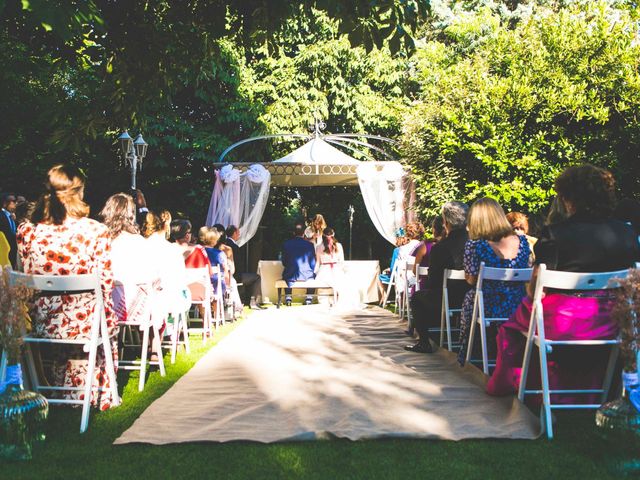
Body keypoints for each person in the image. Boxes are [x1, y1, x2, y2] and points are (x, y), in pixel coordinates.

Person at [487, 165, 640, 403]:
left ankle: (525, 386)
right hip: (613, 322)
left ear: (568, 198)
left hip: (561, 322)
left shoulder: (555, 234)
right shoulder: (625, 233)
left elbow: (535, 286)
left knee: (512, 330)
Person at [16, 165, 118, 410]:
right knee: (106, 319)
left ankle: (59, 387)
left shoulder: (28, 231)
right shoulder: (95, 231)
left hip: (42, 323)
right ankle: (92, 392)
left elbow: (24, 277)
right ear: (79, 192)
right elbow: (105, 283)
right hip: (84, 322)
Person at [457, 198, 531, 365]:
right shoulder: (523, 242)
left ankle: (468, 355)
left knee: (470, 296)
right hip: (518, 304)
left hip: (487, 306)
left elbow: (471, 279)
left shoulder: (475, 245)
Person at [406, 201, 470, 353]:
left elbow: (433, 282)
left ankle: (424, 342)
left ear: (446, 222)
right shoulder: (475, 243)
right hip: (472, 296)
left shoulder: (440, 248)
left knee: (417, 297)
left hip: (448, 298)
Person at [100, 193, 157, 327]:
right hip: (136, 309)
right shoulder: (138, 241)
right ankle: (153, 345)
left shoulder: (100, 239)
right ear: (131, 214)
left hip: (104, 308)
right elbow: (152, 275)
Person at [142, 209, 190, 331]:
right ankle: (174, 331)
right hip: (164, 299)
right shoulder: (171, 249)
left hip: (140, 299)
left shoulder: (142, 245)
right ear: (166, 224)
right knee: (184, 294)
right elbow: (180, 280)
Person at [170, 219, 212, 303]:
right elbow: (210, 272)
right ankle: (204, 315)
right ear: (187, 235)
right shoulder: (199, 249)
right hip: (197, 292)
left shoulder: (168, 249)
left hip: (172, 292)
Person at [224, 225, 261, 308]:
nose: (239, 235)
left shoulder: (223, 244)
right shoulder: (234, 247)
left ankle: (246, 299)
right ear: (234, 233)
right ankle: (253, 301)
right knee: (256, 277)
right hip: (235, 276)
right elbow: (238, 265)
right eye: (238, 233)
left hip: (225, 275)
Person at [282, 222, 317, 306]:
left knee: (287, 273)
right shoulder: (310, 245)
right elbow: (312, 263)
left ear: (294, 233)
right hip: (306, 274)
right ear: (304, 233)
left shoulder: (286, 244)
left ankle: (288, 298)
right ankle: (309, 298)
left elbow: (284, 261)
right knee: (313, 275)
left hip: (291, 274)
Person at [412, 216, 445, 291]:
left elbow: (415, 271)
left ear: (434, 230)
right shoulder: (449, 245)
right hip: (445, 288)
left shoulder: (425, 246)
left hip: (424, 288)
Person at [315, 227, 346, 300]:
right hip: (336, 269)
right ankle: (338, 299)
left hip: (324, 271)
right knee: (341, 283)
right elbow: (341, 261)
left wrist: (315, 272)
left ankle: (325, 301)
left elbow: (318, 262)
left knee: (323, 285)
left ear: (323, 235)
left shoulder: (319, 247)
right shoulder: (339, 245)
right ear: (333, 234)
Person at [201, 227, 230, 296]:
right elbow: (226, 271)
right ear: (215, 240)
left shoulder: (198, 251)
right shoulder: (219, 253)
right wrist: (228, 285)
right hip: (216, 285)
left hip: (200, 283)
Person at [0, 192, 17, 268]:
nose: (15, 204)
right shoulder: (1, 215)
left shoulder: (11, 215)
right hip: (5, 248)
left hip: (12, 248)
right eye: (12, 202)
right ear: (5, 203)